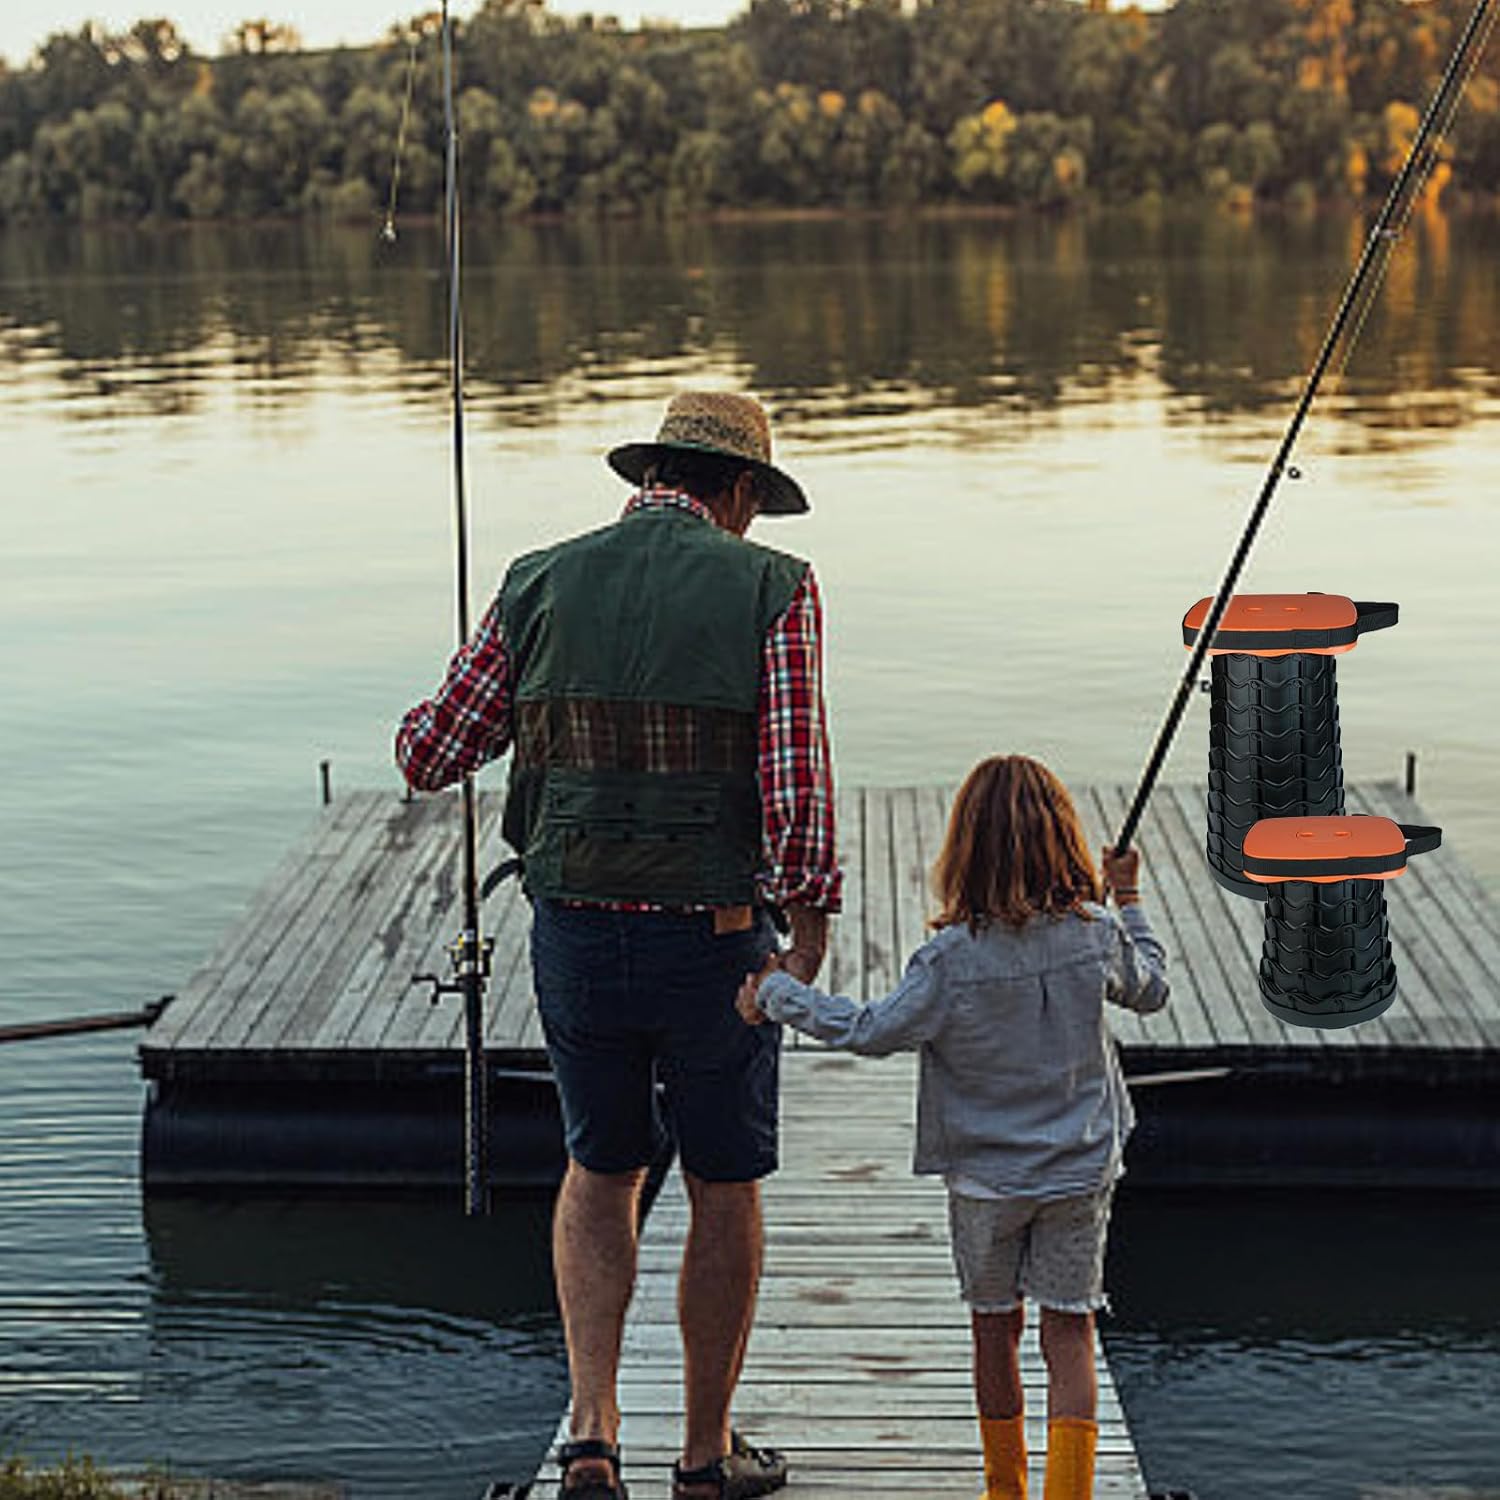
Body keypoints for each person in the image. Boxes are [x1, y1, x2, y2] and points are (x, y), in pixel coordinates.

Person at [395, 391, 841, 1500]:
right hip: (719, 942)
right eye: (754, 504)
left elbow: (428, 750)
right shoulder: (775, 588)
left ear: (652, 474)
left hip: (579, 935)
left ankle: (592, 1433)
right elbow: (794, 782)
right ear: (735, 492)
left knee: (600, 1165)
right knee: (726, 1182)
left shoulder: (537, 578)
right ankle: (702, 1453)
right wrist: (810, 934)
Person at [736, 754, 1168, 1500]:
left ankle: (1006, 1490)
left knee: (993, 1331)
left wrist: (778, 991)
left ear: (963, 849)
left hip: (987, 1180)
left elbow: (869, 1029)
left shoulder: (948, 959)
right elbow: (1151, 988)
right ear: (1063, 839)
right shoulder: (1094, 933)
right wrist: (1126, 897)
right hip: (1079, 1171)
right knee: (1071, 1334)